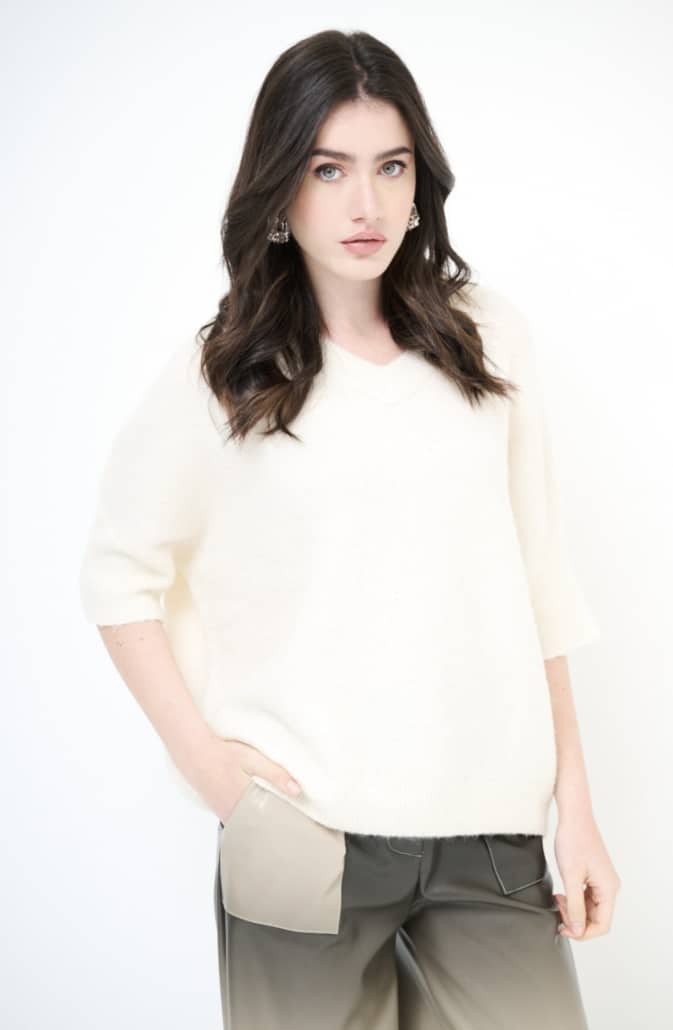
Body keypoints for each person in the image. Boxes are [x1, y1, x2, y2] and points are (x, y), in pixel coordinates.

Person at [78, 27, 620, 1030]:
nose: (365, 203)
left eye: (390, 167)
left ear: (420, 182)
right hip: (299, 835)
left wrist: (576, 813)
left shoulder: (488, 340)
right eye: (328, 169)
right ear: (280, 185)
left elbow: (538, 581)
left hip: (491, 839)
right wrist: (209, 767)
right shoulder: (225, 374)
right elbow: (117, 577)